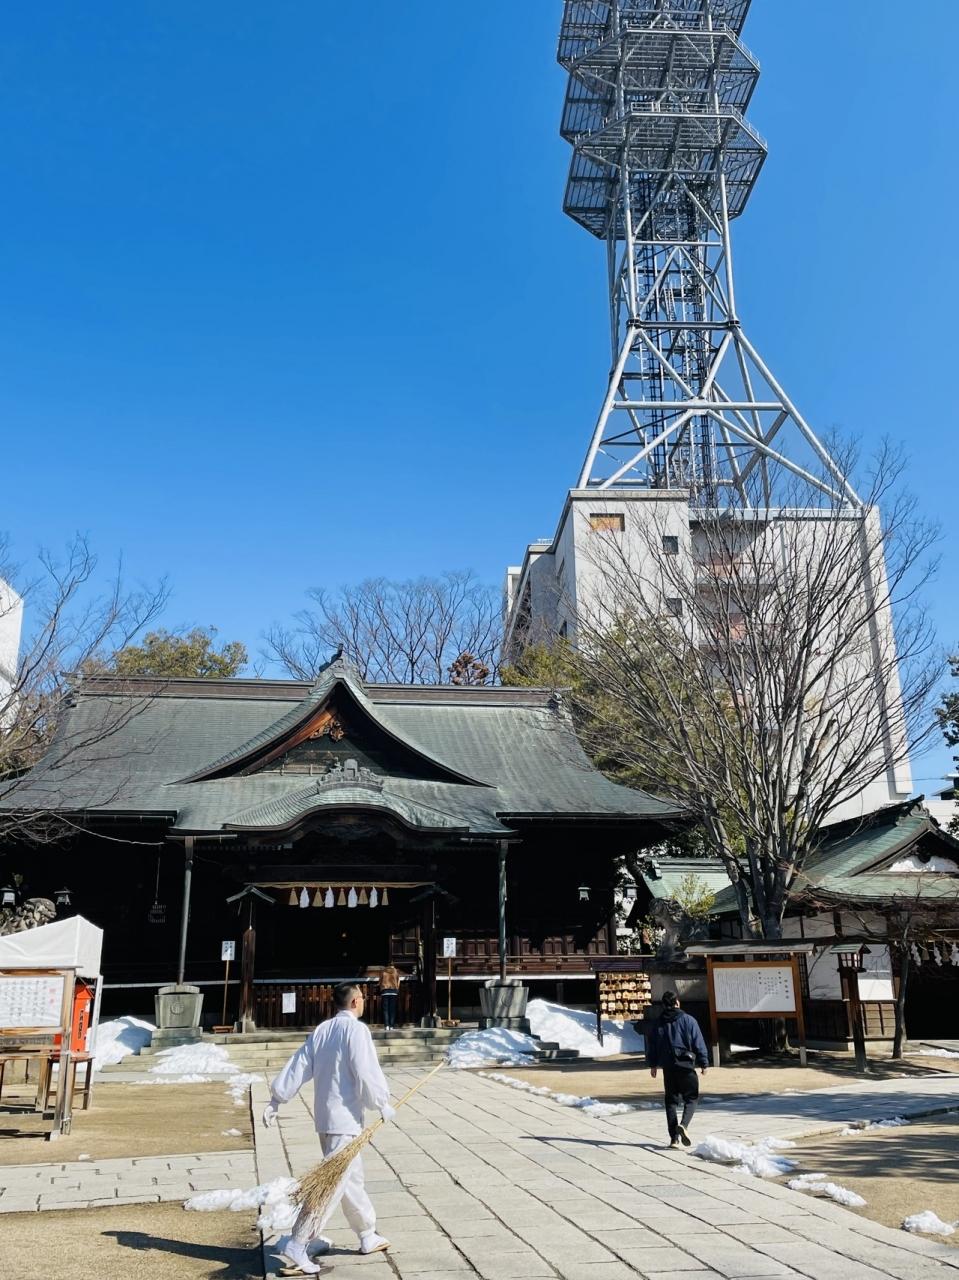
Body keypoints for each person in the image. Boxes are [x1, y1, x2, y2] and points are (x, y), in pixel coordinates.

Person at [262, 982, 396, 1273]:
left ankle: (367, 1233)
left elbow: (299, 1065)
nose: (364, 1001)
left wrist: (277, 1098)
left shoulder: (322, 1030)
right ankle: (299, 1242)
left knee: (352, 1179)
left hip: (326, 1118)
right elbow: (365, 1070)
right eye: (362, 997)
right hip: (344, 1120)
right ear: (355, 1002)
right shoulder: (356, 1031)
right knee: (330, 1185)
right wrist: (380, 1102)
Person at [646, 990, 709, 1149]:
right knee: (691, 1098)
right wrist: (703, 1063)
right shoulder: (689, 1020)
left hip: (668, 1067)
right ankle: (684, 1125)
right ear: (677, 1003)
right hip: (686, 1065)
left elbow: (652, 1045)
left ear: (663, 1005)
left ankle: (674, 1139)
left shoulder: (658, 1023)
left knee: (671, 1101)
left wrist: (653, 1065)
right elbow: (698, 1042)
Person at [379, 964, 401, 1030]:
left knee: (385, 1010)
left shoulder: (383, 972)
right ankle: (391, 1026)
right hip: (393, 991)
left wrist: (381, 988)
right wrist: (397, 988)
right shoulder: (395, 971)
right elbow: (398, 981)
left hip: (385, 991)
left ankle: (387, 1026)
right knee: (392, 1010)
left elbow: (380, 981)